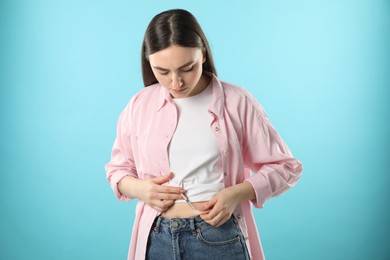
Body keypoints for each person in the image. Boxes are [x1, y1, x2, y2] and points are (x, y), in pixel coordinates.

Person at [105, 8, 302, 260]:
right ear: (149, 62)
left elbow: (286, 167)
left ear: (203, 55)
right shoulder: (139, 105)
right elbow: (117, 170)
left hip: (218, 238)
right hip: (157, 240)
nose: (176, 82)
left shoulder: (237, 101)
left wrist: (237, 193)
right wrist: (140, 189)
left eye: (187, 68)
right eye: (162, 71)